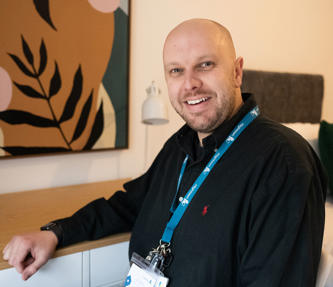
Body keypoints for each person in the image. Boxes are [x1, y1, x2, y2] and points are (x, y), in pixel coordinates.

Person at [2, 19, 327, 286]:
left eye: (205, 65)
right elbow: (127, 205)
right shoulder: (183, 144)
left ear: (237, 72)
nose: (190, 84)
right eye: (176, 71)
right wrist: (55, 233)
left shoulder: (284, 164)